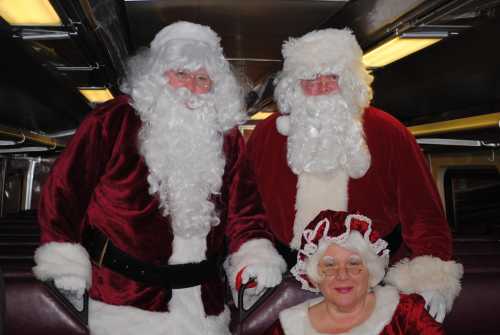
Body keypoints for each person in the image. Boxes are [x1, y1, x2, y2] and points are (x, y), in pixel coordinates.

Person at [32, 21, 284, 335]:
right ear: (158, 76)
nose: (191, 87)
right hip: (122, 304)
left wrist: (253, 255)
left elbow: (245, 210)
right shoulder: (113, 121)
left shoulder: (228, 137)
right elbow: (64, 192)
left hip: (203, 308)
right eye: (181, 74)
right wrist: (65, 259)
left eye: (202, 78)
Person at [230, 28, 462, 322]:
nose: (323, 87)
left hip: (372, 285)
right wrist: (254, 255)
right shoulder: (266, 136)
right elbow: (245, 211)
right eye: (311, 79)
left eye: (333, 77)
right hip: (287, 284)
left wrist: (430, 277)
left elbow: (424, 214)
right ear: (294, 87)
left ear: (351, 82)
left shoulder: (389, 132)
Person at [266, 210, 461, 335]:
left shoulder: (405, 314)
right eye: (330, 265)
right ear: (315, 276)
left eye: (353, 264)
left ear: (371, 271)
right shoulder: (287, 328)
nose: (342, 275)